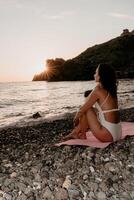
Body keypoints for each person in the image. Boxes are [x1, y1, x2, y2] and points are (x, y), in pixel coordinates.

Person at [64, 63, 122, 142]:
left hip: (107, 136)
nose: (94, 75)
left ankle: (80, 134)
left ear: (100, 76)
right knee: (91, 109)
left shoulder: (98, 90)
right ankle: (77, 132)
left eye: (96, 73)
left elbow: (82, 108)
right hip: (118, 133)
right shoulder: (111, 91)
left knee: (86, 109)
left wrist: (76, 118)